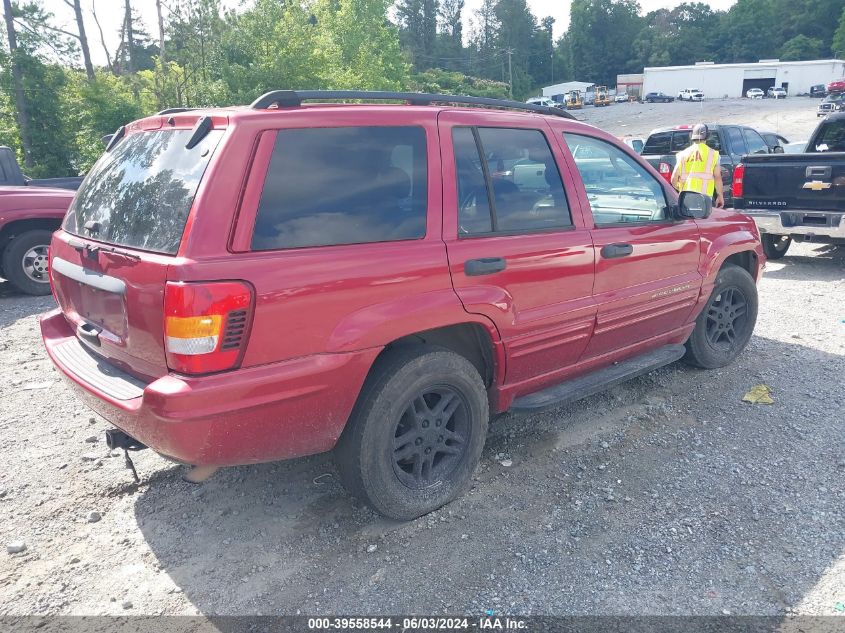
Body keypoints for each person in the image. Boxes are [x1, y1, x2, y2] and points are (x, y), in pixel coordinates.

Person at [671, 123, 725, 208]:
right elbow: (717, 178)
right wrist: (720, 195)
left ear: (692, 136)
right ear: (707, 136)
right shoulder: (713, 154)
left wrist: (681, 189)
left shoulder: (682, 155)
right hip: (705, 199)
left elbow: (674, 179)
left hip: (686, 198)